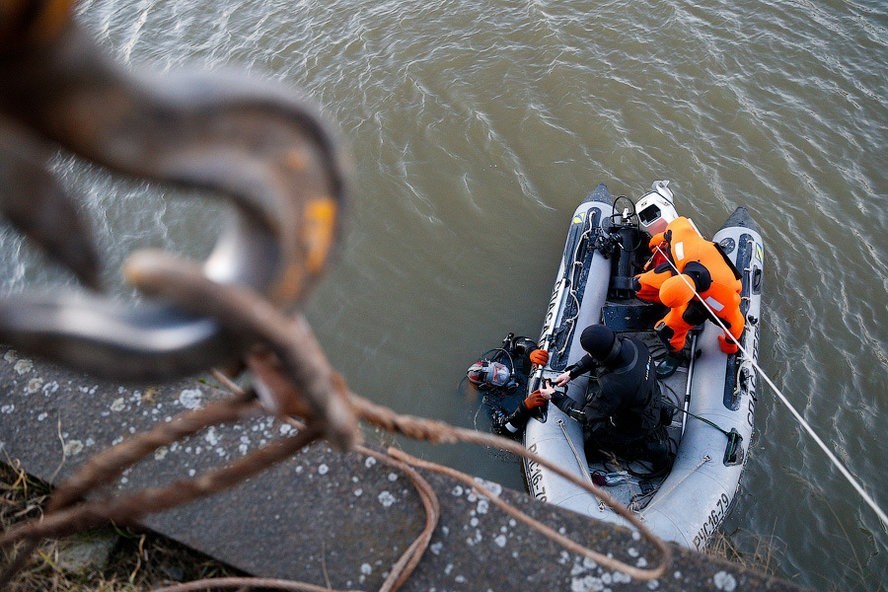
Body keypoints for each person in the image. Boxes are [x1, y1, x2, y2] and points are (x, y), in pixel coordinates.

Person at [536, 324, 673, 468]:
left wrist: (555, 396)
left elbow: (586, 415)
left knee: (592, 438)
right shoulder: (633, 343)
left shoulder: (613, 386)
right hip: (650, 397)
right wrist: (572, 372)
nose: (589, 355)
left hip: (636, 424)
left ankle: (645, 448)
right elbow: (601, 352)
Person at [634, 216, 744, 378]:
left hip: (702, 298)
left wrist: (730, 346)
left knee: (668, 330)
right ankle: (659, 300)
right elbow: (677, 226)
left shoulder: (720, 299)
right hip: (682, 270)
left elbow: (735, 323)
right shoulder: (682, 248)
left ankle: (675, 355)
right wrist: (656, 241)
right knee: (640, 285)